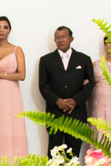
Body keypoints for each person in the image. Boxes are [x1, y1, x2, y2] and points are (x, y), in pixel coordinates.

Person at [37, 26, 95, 159]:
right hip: (55, 114)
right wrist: (57, 101)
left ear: (71, 38)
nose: (60, 40)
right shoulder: (46, 60)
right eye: (57, 37)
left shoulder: (84, 59)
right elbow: (43, 85)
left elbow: (90, 84)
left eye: (63, 36)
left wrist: (75, 101)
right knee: (54, 153)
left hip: (77, 114)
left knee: (73, 155)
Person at [0, 16, 28, 166]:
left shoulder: (17, 50)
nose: (1, 30)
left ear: (9, 30)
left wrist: (1, 76)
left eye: (5, 27)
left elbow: (21, 75)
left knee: (12, 132)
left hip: (11, 94)